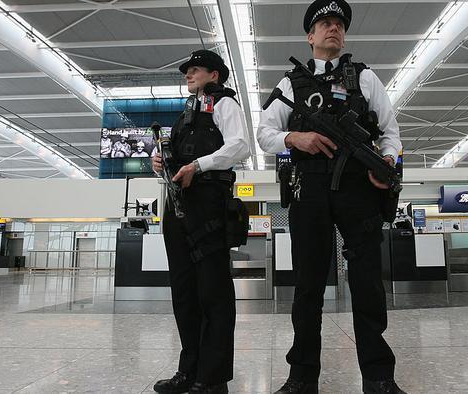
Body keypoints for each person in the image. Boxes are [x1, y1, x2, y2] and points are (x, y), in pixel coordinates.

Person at [257, 1, 404, 392]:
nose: (333, 28)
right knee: (308, 285)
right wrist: (294, 137)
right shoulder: (291, 83)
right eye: (325, 23)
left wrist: (385, 163)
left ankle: (378, 376)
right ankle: (302, 377)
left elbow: (390, 132)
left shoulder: (366, 78)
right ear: (311, 35)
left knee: (368, 282)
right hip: (310, 187)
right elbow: (264, 132)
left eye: (339, 23)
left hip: (359, 189)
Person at [151, 49, 250, 394]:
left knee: (213, 292)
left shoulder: (224, 105)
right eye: (187, 71)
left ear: (214, 75)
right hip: (178, 206)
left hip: (208, 204)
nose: (188, 75)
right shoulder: (186, 115)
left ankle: (212, 377)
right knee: (184, 292)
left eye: (195, 70)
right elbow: (176, 154)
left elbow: (240, 146)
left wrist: (199, 166)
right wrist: (160, 160)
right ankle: (189, 370)